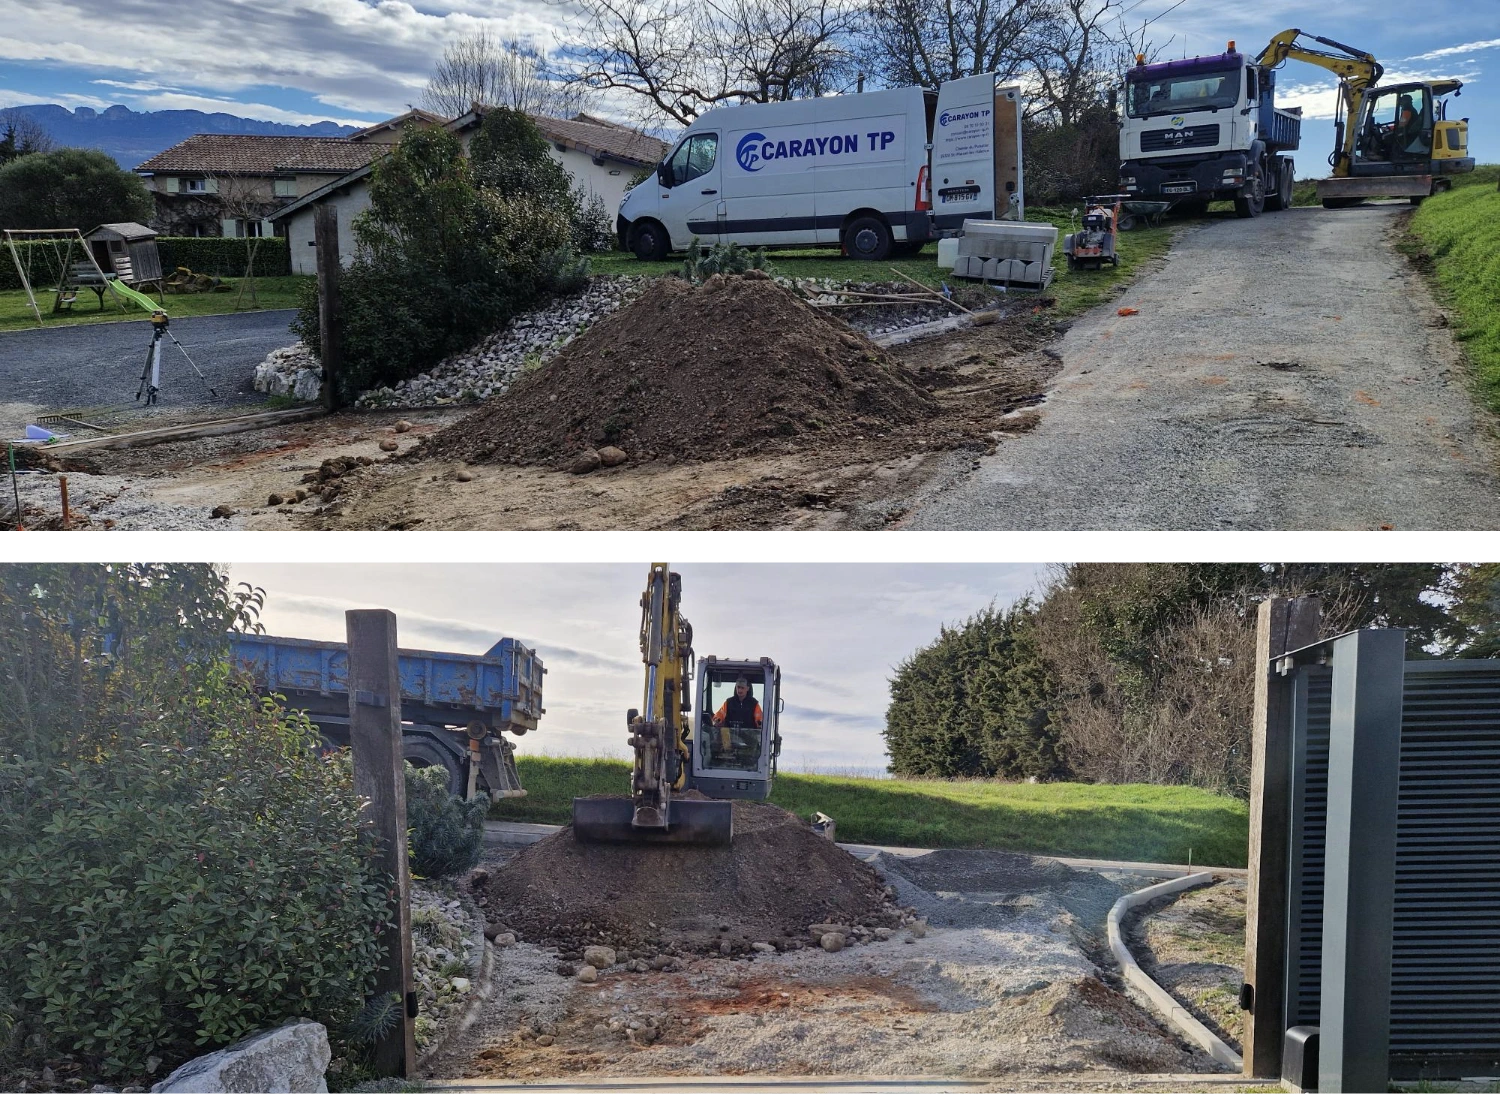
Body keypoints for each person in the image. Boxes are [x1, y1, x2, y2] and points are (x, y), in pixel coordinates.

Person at [712, 676, 762, 754]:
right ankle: (726, 754)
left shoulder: (754, 704)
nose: (739, 690)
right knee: (723, 731)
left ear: (747, 688)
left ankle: (749, 755)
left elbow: (759, 719)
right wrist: (717, 720)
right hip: (730, 737)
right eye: (738, 687)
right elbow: (719, 715)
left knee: (753, 745)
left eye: (742, 688)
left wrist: (760, 723)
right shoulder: (729, 702)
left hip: (748, 737)